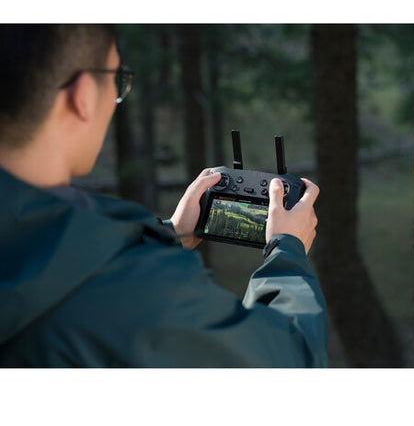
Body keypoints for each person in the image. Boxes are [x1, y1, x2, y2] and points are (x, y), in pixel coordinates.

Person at [0, 24, 328, 367]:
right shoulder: (145, 292)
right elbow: (292, 361)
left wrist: (172, 234)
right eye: (116, 79)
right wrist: (288, 252)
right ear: (82, 96)